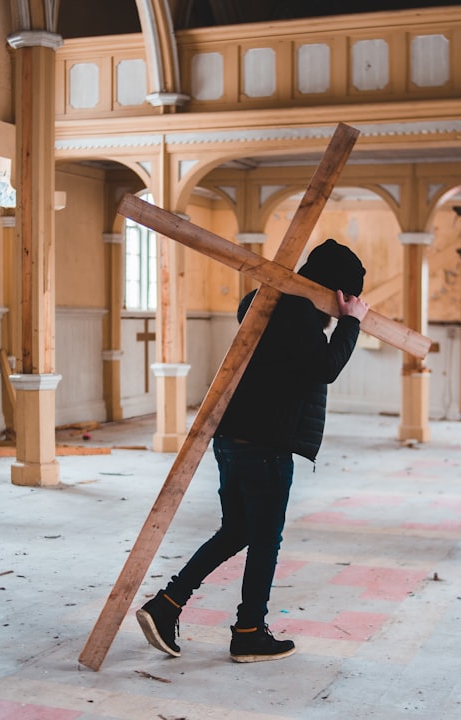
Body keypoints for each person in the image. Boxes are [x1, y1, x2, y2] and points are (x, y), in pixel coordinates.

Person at [136, 238, 370, 663]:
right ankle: (248, 631)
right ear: (338, 291)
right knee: (265, 540)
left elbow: (305, 364)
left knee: (239, 530)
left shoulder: (272, 304)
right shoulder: (298, 313)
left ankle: (167, 605)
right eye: (349, 296)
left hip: (236, 438)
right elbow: (325, 369)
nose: (349, 304)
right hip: (264, 444)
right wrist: (351, 322)